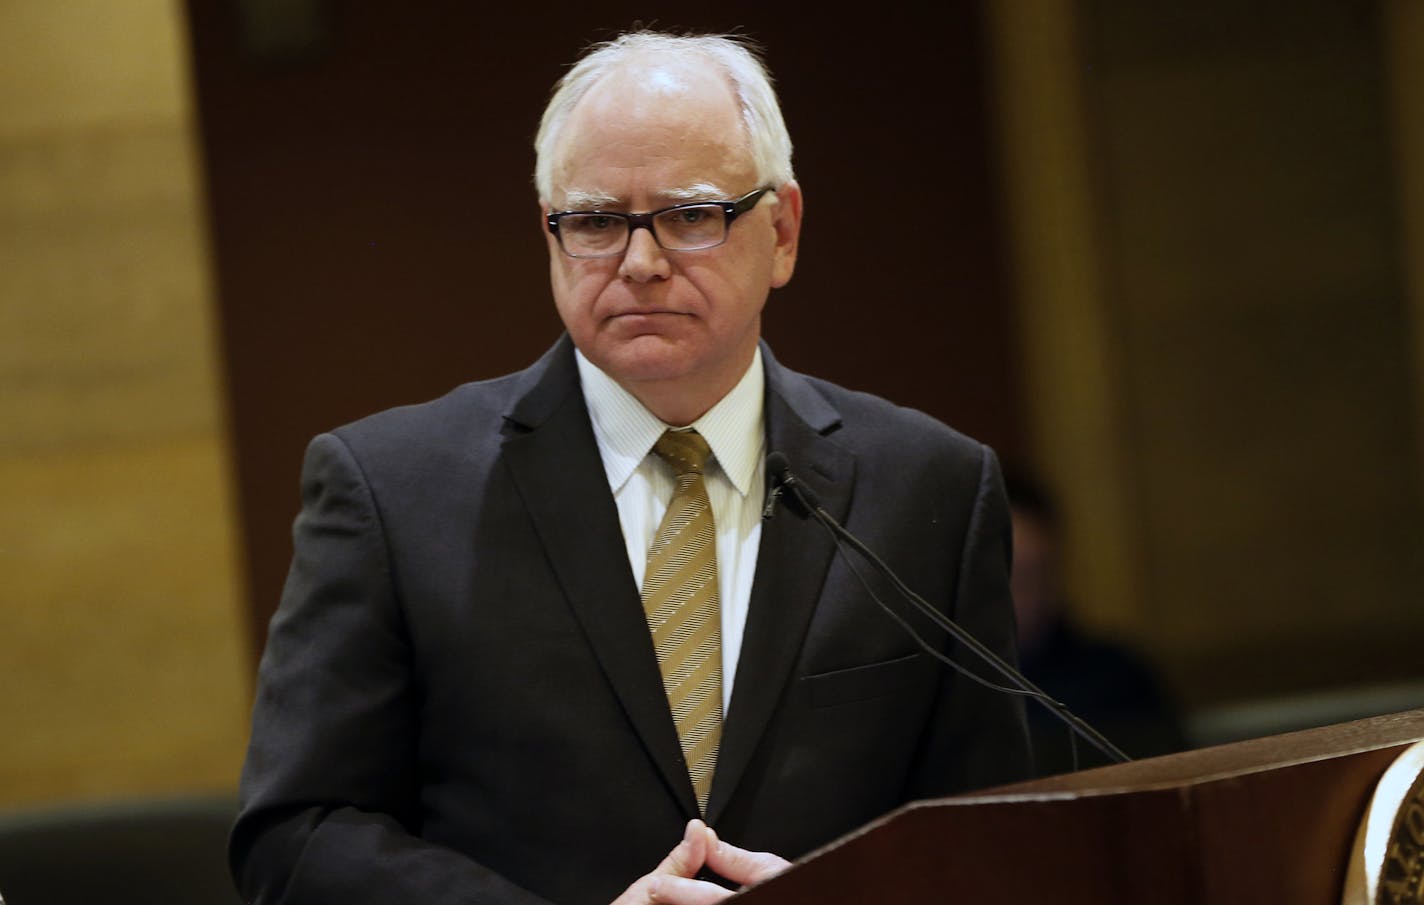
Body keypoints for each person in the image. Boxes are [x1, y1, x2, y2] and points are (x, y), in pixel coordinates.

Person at [230, 31, 1032, 905]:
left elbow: (1001, 836)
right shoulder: (390, 491)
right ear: (549, 234)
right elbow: (297, 834)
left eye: (691, 216)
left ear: (784, 231)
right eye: (597, 222)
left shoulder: (930, 489)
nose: (640, 263)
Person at [1006, 472, 1185, 775]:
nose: (1025, 598)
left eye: (1036, 575)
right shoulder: (946, 689)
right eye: (1012, 578)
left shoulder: (1115, 676)